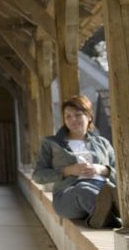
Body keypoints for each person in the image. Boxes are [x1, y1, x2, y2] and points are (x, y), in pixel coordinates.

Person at [32, 95, 120, 228]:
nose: (73, 119)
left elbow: (121, 174)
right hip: (68, 194)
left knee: (114, 191)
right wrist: (67, 171)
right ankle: (114, 217)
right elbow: (38, 175)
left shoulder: (103, 143)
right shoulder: (51, 143)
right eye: (68, 116)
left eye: (78, 115)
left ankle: (103, 214)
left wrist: (103, 169)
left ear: (89, 116)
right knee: (83, 189)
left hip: (103, 187)